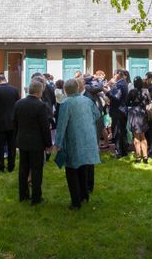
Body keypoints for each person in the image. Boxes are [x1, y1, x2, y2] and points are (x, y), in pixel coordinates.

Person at [54, 78, 101, 210]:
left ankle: (76, 202)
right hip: (88, 138)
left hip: (74, 140)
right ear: (78, 88)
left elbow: (61, 125)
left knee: (72, 170)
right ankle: (84, 195)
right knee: (83, 167)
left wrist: (57, 143)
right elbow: (97, 115)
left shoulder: (65, 103)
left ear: (65, 90)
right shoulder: (87, 100)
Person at [13, 80, 53, 205]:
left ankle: (23, 195)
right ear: (39, 91)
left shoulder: (18, 103)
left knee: (23, 169)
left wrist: (16, 138)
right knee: (36, 170)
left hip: (22, 140)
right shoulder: (41, 106)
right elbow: (45, 127)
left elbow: (14, 123)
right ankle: (36, 197)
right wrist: (48, 144)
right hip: (36, 142)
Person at [106, 69, 129, 158]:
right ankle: (124, 151)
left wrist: (108, 91)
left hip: (118, 111)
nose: (113, 76)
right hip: (121, 111)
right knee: (122, 131)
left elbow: (116, 97)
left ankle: (119, 152)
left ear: (117, 75)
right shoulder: (123, 83)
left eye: (114, 75)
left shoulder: (120, 84)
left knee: (117, 132)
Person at [128, 76, 150, 163]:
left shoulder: (132, 91)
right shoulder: (146, 91)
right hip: (143, 113)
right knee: (143, 135)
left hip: (134, 113)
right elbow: (149, 101)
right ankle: (145, 155)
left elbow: (127, 102)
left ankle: (138, 157)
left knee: (136, 136)